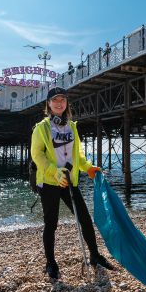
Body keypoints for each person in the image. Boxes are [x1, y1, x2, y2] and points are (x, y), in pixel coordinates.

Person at [31, 86, 116, 280]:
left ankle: (95, 256)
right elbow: (37, 155)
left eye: (62, 99)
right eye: (55, 100)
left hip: (70, 180)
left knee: (85, 218)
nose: (59, 103)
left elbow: (78, 155)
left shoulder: (72, 127)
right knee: (50, 223)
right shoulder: (41, 128)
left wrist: (88, 168)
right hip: (51, 181)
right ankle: (51, 263)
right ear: (48, 104)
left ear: (66, 103)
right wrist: (54, 172)